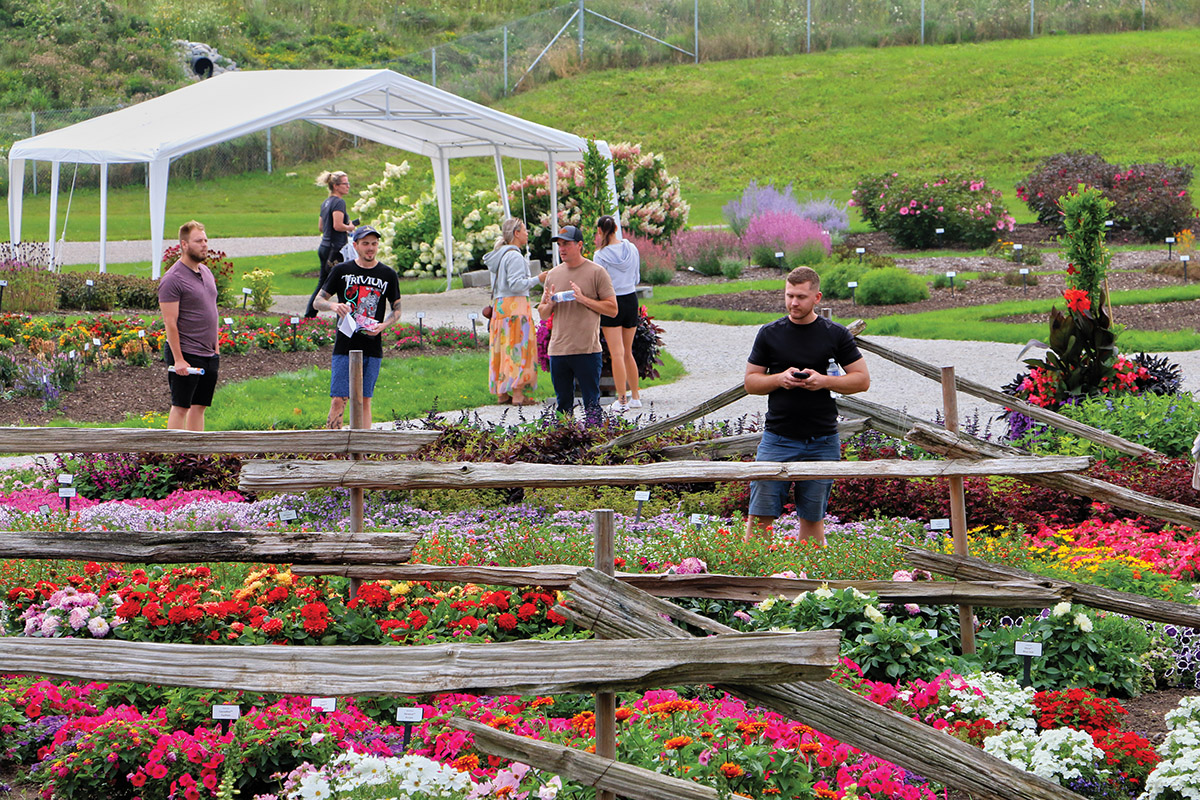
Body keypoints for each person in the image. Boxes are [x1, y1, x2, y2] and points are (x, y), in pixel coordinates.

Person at [744, 266, 870, 546]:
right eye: (789, 296)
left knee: (813, 518)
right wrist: (780, 379)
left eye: (800, 296)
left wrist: (823, 381)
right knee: (761, 515)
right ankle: (754, 579)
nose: (793, 303)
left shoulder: (834, 334)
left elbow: (862, 380)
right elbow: (751, 383)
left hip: (822, 440)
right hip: (778, 438)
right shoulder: (769, 333)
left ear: (817, 297)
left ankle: (810, 582)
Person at [313, 226, 401, 429]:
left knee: (364, 400)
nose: (370, 248)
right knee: (338, 398)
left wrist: (384, 325)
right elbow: (318, 301)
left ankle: (363, 451)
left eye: (374, 244)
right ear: (355, 246)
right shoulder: (342, 271)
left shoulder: (387, 274)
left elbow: (397, 309)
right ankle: (333, 449)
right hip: (345, 344)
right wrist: (334, 305)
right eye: (365, 244)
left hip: (372, 344)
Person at [537, 225, 617, 419]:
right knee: (563, 406)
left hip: (587, 350)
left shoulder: (597, 272)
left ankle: (596, 445)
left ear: (580, 245)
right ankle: (564, 444)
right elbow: (543, 314)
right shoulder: (553, 275)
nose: (562, 249)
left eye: (567, 244)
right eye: (559, 245)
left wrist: (584, 300)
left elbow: (613, 309)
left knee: (592, 405)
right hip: (559, 350)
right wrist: (549, 302)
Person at [159, 220, 220, 431]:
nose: (204, 245)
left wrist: (216, 348)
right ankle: (174, 456)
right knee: (181, 406)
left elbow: (212, 311)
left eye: (205, 240)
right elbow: (170, 322)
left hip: (208, 353)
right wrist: (178, 359)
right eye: (198, 241)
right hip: (186, 353)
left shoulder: (206, 272)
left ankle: (196, 457)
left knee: (200, 406)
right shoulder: (172, 279)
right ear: (184, 245)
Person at [482, 218, 549, 405]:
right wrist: (538, 278)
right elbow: (516, 284)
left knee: (503, 348)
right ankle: (519, 393)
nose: (527, 233)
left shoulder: (499, 256)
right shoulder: (515, 256)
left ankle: (502, 392)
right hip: (516, 308)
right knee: (519, 348)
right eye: (525, 230)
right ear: (516, 233)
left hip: (500, 307)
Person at [593, 214, 642, 413]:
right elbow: (637, 277)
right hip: (631, 298)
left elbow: (600, 284)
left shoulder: (600, 255)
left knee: (617, 353)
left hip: (612, 301)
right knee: (628, 351)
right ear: (616, 229)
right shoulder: (632, 248)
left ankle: (622, 400)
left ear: (599, 231)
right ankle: (635, 396)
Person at [306, 170, 355, 318]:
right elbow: (337, 225)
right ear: (335, 186)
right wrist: (350, 227)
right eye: (345, 184)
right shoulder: (339, 202)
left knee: (324, 281)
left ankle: (311, 313)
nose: (348, 186)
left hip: (324, 246)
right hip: (335, 248)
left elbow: (321, 226)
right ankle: (342, 312)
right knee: (339, 280)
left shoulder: (326, 202)